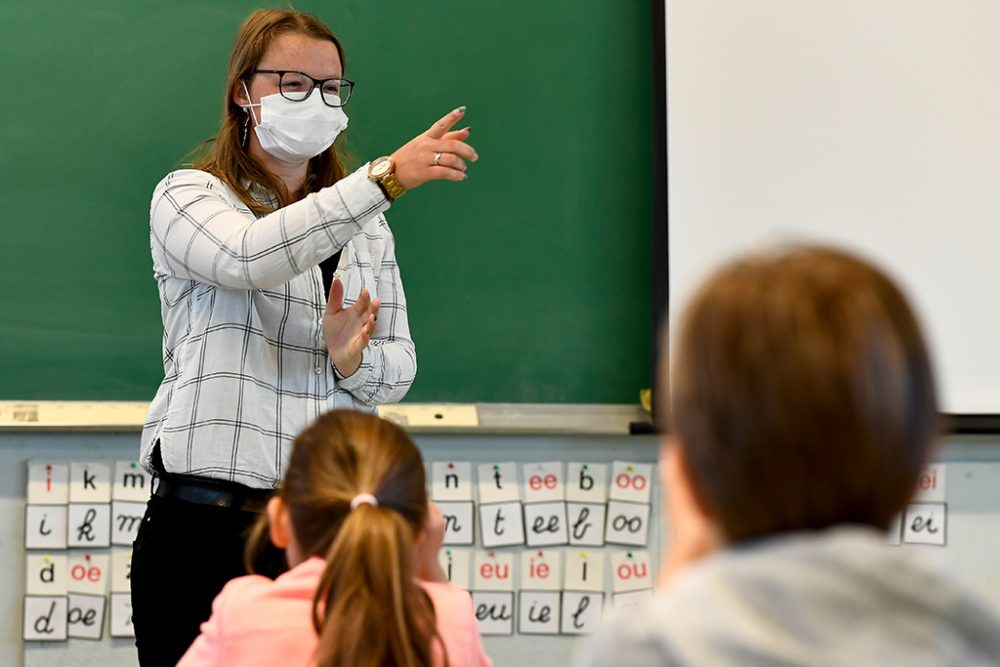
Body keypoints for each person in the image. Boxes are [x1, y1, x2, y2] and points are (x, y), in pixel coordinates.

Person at [131, 9, 478, 666]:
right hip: (205, 524)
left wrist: (351, 363)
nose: (316, 102)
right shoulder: (189, 195)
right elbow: (247, 257)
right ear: (243, 91)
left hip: (328, 530)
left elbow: (398, 363)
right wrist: (382, 180)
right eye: (293, 84)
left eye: (330, 88)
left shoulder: (369, 229)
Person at [581, 246, 1000, 666]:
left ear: (686, 471)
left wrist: (680, 579)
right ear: (924, 458)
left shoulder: (640, 648)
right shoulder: (975, 640)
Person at [176, 410, 491, 667]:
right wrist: (431, 570)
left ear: (280, 522)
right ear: (421, 529)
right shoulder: (449, 616)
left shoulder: (243, 611)